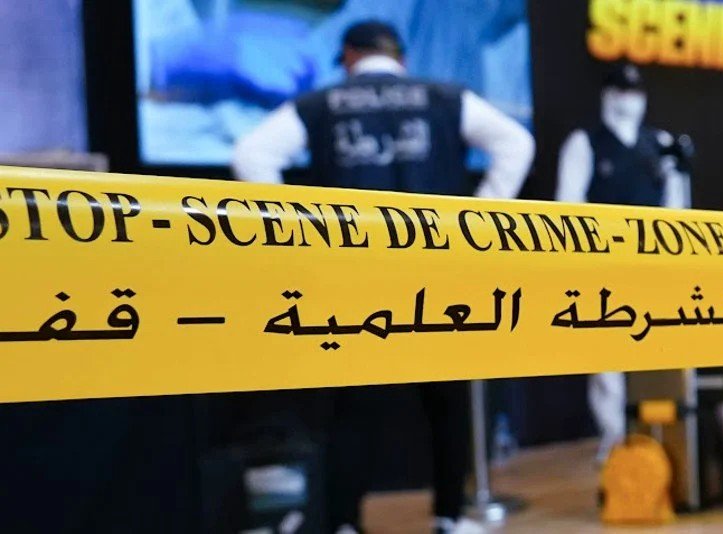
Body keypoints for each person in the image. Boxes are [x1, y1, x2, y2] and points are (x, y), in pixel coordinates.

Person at [233, 20, 534, 534]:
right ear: (401, 58)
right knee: (447, 404)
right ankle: (449, 517)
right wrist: (479, 217)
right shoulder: (444, 96)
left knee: (352, 408)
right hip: (437, 272)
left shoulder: (323, 103)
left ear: (350, 56)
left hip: (355, 276)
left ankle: (346, 523)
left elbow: (250, 155)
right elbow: (516, 143)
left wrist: (298, 228)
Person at [554, 63, 691, 463]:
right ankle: (614, 437)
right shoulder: (585, 143)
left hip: (652, 262)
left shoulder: (660, 143)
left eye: (634, 92)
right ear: (607, 94)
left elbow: (677, 207)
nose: (628, 100)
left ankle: (662, 435)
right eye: (621, 91)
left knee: (659, 346)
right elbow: (568, 206)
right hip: (605, 265)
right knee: (607, 355)